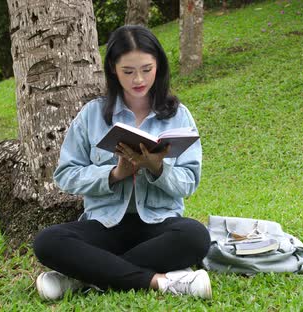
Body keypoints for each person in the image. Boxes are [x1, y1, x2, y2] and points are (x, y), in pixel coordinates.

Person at [32, 25, 211, 301]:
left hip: (159, 224)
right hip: (104, 225)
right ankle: (160, 281)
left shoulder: (178, 116)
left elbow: (189, 182)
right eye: (128, 71)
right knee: (47, 242)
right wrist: (114, 174)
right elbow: (66, 174)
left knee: (196, 237)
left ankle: (84, 277)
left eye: (147, 69)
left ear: (159, 66)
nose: (138, 79)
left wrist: (156, 167)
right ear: (113, 70)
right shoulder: (92, 115)